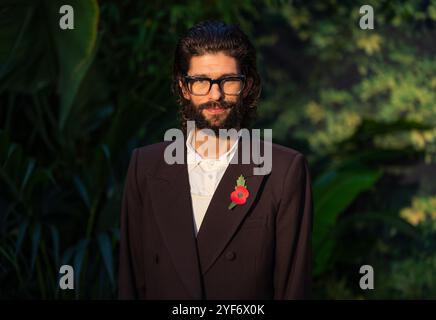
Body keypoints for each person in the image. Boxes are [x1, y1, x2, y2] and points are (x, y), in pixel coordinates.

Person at [118, 20, 313, 300]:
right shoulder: (145, 166)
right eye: (201, 82)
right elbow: (131, 282)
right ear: (183, 87)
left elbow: (294, 289)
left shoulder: (283, 170)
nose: (215, 95)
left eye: (228, 81)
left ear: (247, 86)